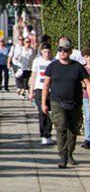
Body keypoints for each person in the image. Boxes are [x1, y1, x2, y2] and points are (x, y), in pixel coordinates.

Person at [41, 39, 90, 168]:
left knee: (73, 130)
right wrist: (43, 103)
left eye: (65, 50)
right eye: (60, 50)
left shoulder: (77, 67)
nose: (63, 52)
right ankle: (62, 155)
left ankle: (69, 153)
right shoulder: (52, 66)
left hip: (74, 103)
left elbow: (88, 84)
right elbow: (46, 84)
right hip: (57, 102)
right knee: (61, 127)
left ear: (70, 51)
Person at [28, 43, 55, 145]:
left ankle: (48, 133)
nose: (47, 54)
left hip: (51, 90)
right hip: (39, 88)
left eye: (48, 52)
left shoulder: (54, 62)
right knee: (42, 111)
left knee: (50, 112)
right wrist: (31, 92)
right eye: (45, 52)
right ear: (41, 52)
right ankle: (44, 134)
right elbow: (33, 76)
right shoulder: (37, 62)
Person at [80, 49, 90, 150]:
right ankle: (88, 139)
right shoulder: (82, 69)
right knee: (88, 117)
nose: (89, 59)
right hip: (86, 96)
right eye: (87, 56)